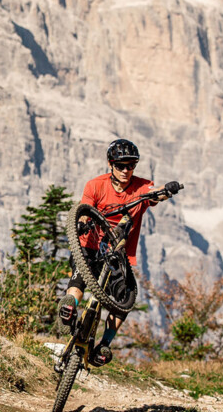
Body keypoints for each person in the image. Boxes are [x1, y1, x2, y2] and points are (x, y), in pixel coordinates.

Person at [57, 138, 171, 366]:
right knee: (79, 280)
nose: (126, 170)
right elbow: (84, 208)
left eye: (131, 165)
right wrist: (81, 222)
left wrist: (166, 191)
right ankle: (70, 305)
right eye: (121, 166)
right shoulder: (95, 185)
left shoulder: (141, 186)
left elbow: (155, 193)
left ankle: (104, 344)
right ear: (111, 165)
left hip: (117, 255)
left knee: (124, 299)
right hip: (89, 246)